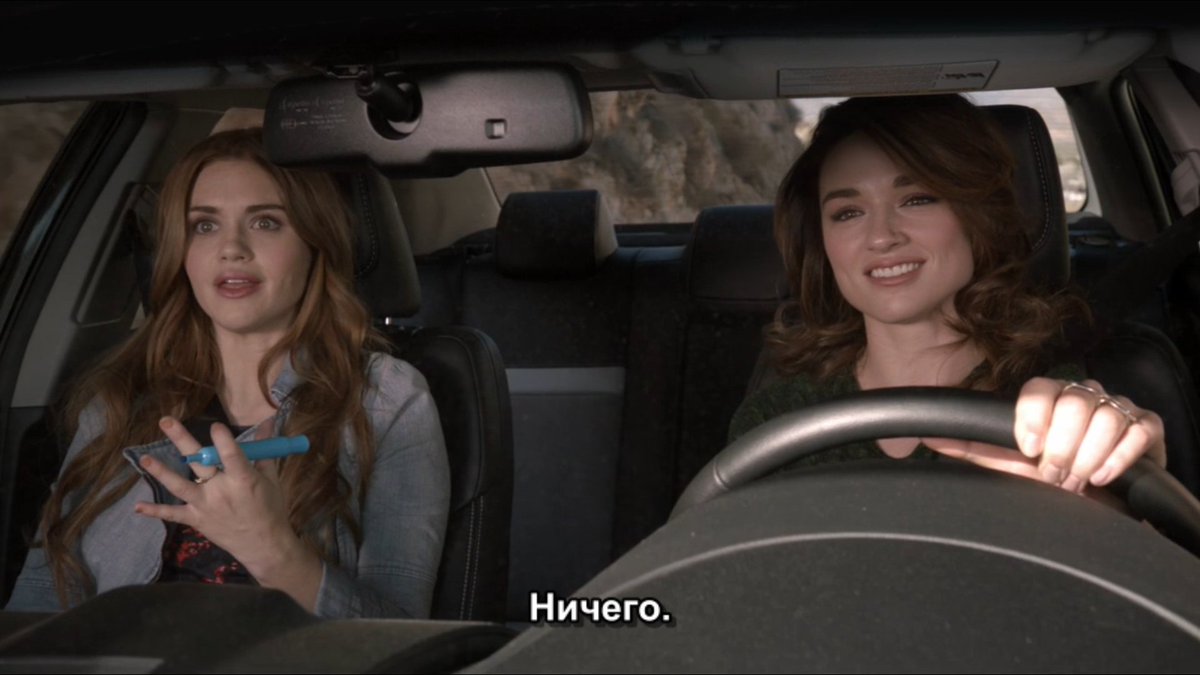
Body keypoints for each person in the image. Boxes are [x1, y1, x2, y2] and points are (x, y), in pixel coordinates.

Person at [6, 128, 450, 619]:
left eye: (265, 222)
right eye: (204, 225)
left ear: (315, 242)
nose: (231, 248)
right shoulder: (122, 395)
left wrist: (272, 550)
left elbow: (399, 633)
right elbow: (41, 599)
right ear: (181, 252)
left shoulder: (386, 399)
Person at [728, 94, 1166, 491]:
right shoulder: (775, 422)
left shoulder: (1061, 416)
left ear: (980, 217)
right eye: (847, 213)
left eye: (917, 199)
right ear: (823, 242)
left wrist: (1116, 487)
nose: (881, 237)